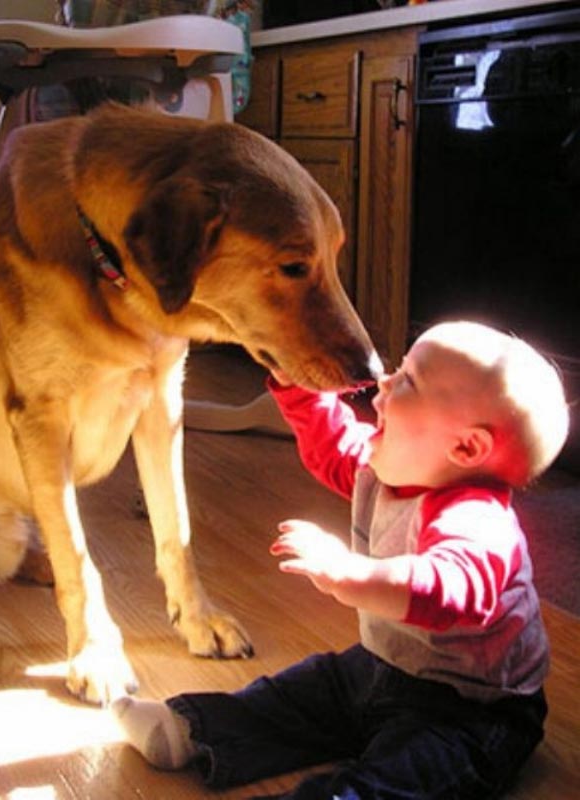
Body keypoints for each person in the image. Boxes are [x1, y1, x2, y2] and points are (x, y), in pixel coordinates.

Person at [111, 320, 570, 799]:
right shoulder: (390, 464)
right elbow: (333, 448)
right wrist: (299, 387)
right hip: (386, 664)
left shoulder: (475, 517)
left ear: (466, 447)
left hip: (471, 711)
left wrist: (354, 572)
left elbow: (454, 589)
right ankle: (192, 728)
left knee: (397, 782)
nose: (387, 379)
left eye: (410, 379)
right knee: (304, 693)